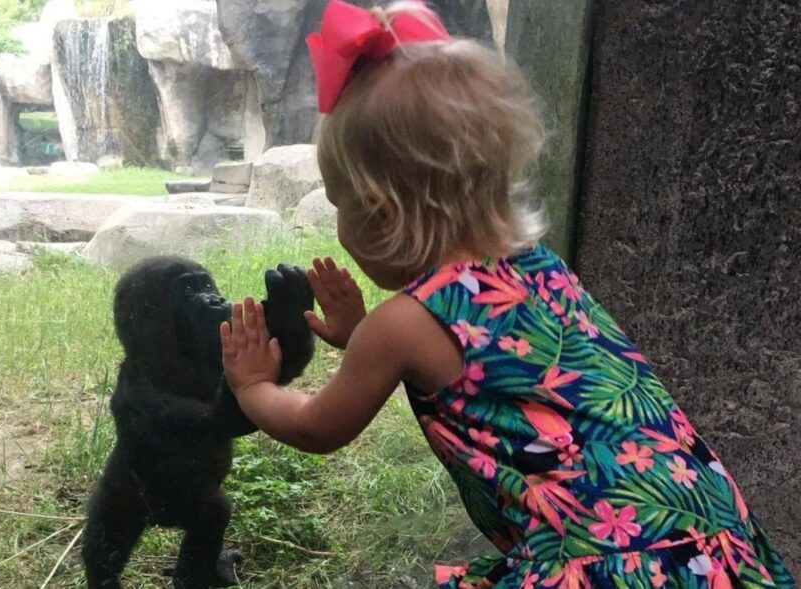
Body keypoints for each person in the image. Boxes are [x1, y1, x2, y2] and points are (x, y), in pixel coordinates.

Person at [218, 1, 796, 587]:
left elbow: (317, 427)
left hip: (611, 567)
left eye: (340, 205)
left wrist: (254, 387)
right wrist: (362, 339)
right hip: (708, 539)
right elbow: (492, 368)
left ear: (383, 214)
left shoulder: (402, 326)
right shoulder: (543, 269)